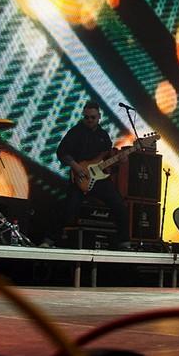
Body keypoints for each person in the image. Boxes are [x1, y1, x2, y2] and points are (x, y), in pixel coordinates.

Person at [56, 102, 131, 249]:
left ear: (99, 117)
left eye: (93, 117)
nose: (89, 120)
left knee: (119, 205)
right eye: (87, 117)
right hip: (80, 177)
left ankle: (124, 243)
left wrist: (121, 160)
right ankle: (50, 240)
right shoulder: (75, 132)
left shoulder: (103, 136)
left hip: (100, 180)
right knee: (69, 208)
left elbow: (107, 160)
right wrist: (76, 166)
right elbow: (62, 152)